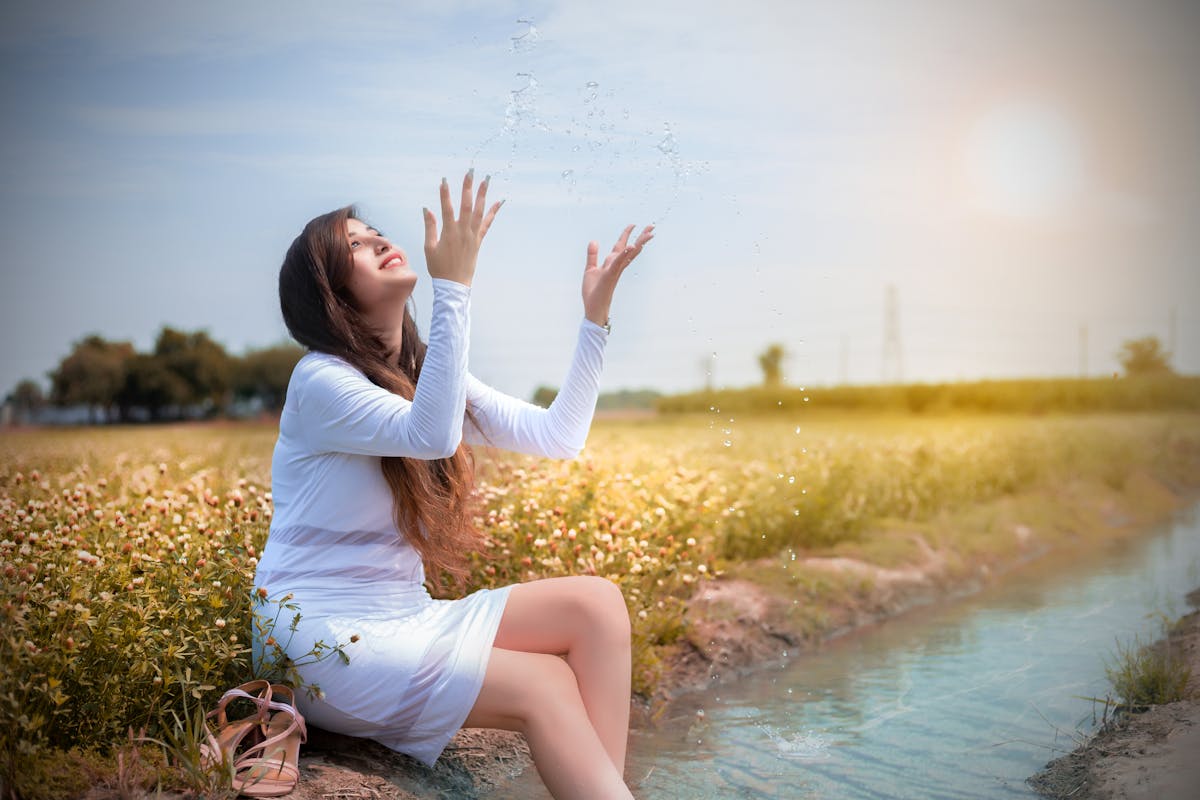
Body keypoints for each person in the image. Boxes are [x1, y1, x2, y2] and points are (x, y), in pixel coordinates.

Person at [253, 169, 653, 799]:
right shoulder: (320, 381)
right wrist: (455, 286)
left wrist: (594, 321)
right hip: (320, 636)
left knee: (596, 605)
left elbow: (558, 437)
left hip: (402, 618)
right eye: (355, 244)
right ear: (328, 291)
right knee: (545, 684)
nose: (380, 241)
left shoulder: (419, 374)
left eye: (376, 231)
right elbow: (430, 436)